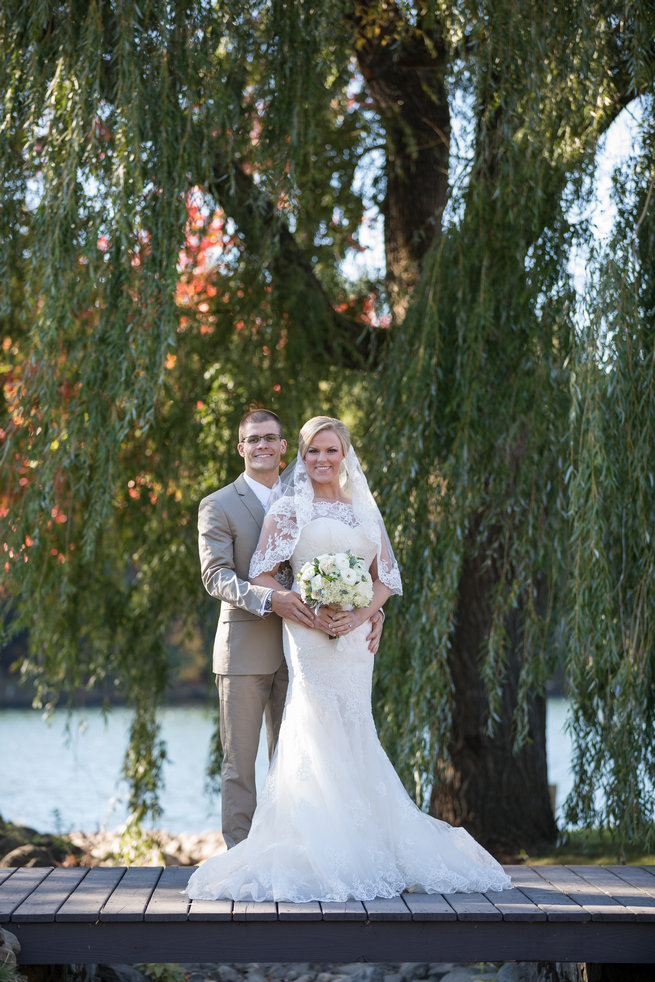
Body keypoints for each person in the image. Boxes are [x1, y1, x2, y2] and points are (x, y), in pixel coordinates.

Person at [188, 416, 511, 901]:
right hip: (275, 641)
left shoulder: (359, 505)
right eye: (313, 451)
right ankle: (255, 852)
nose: (321, 459)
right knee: (253, 758)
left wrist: (366, 612)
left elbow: (384, 575)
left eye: (330, 451)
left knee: (337, 738)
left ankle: (353, 848)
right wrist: (299, 603)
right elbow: (242, 574)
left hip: (349, 644)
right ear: (244, 447)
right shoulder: (248, 505)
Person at [198, 409, 384, 849]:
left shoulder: (310, 494)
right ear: (241, 448)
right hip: (246, 649)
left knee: (299, 758)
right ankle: (243, 853)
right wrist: (271, 599)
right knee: (240, 763)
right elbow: (215, 576)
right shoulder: (218, 504)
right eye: (252, 440)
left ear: (284, 448)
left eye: (270, 439)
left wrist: (368, 609)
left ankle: (300, 850)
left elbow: (361, 563)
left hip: (308, 649)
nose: (262, 446)